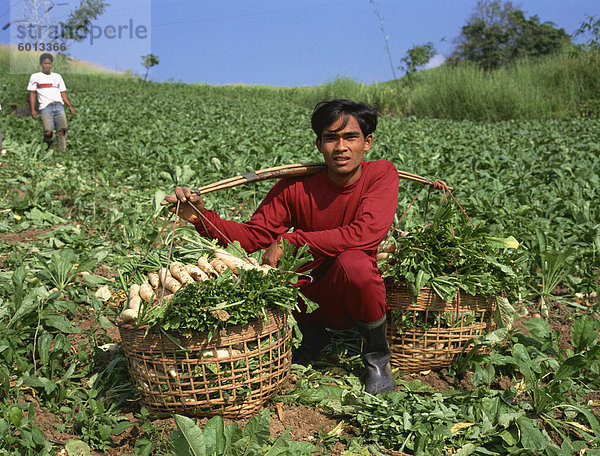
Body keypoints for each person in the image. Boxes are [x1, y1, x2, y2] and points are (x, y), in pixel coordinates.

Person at [165, 99, 399, 395]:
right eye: (331, 138)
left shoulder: (380, 174)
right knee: (268, 274)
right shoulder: (296, 186)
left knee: (355, 263)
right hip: (304, 300)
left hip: (350, 298)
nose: (340, 147)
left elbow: (365, 234)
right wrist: (200, 216)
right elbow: (251, 237)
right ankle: (312, 337)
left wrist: (293, 239)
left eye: (350, 137)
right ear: (319, 144)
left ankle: (377, 360)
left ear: (367, 142)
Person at [27, 53, 75, 153]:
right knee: (48, 132)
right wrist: (32, 109)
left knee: (62, 130)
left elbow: (63, 93)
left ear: (51, 64)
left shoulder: (57, 77)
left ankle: (61, 152)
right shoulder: (35, 77)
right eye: (45, 63)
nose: (47, 65)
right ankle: (49, 146)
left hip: (58, 106)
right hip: (45, 107)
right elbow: (32, 93)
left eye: (49, 63)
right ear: (41, 64)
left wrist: (69, 106)